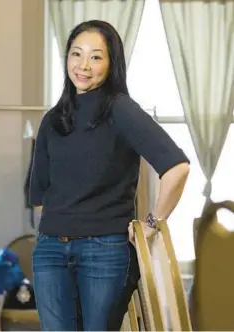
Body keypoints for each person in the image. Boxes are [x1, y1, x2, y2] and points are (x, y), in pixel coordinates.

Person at [29, 20, 190, 331]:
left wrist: (152, 224)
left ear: (111, 63)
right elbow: (40, 198)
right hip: (50, 252)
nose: (83, 66)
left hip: (104, 251)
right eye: (76, 54)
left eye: (96, 57)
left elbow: (177, 168)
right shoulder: (53, 120)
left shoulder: (121, 110)